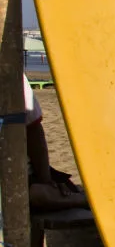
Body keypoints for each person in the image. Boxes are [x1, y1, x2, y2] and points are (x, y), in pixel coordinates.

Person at [24, 75, 87, 212]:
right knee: (38, 193)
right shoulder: (11, 70)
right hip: (20, 178)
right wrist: (45, 179)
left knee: (38, 192)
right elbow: (34, 132)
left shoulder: (11, 72)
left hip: (20, 177)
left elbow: (34, 132)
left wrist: (45, 179)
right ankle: (77, 198)